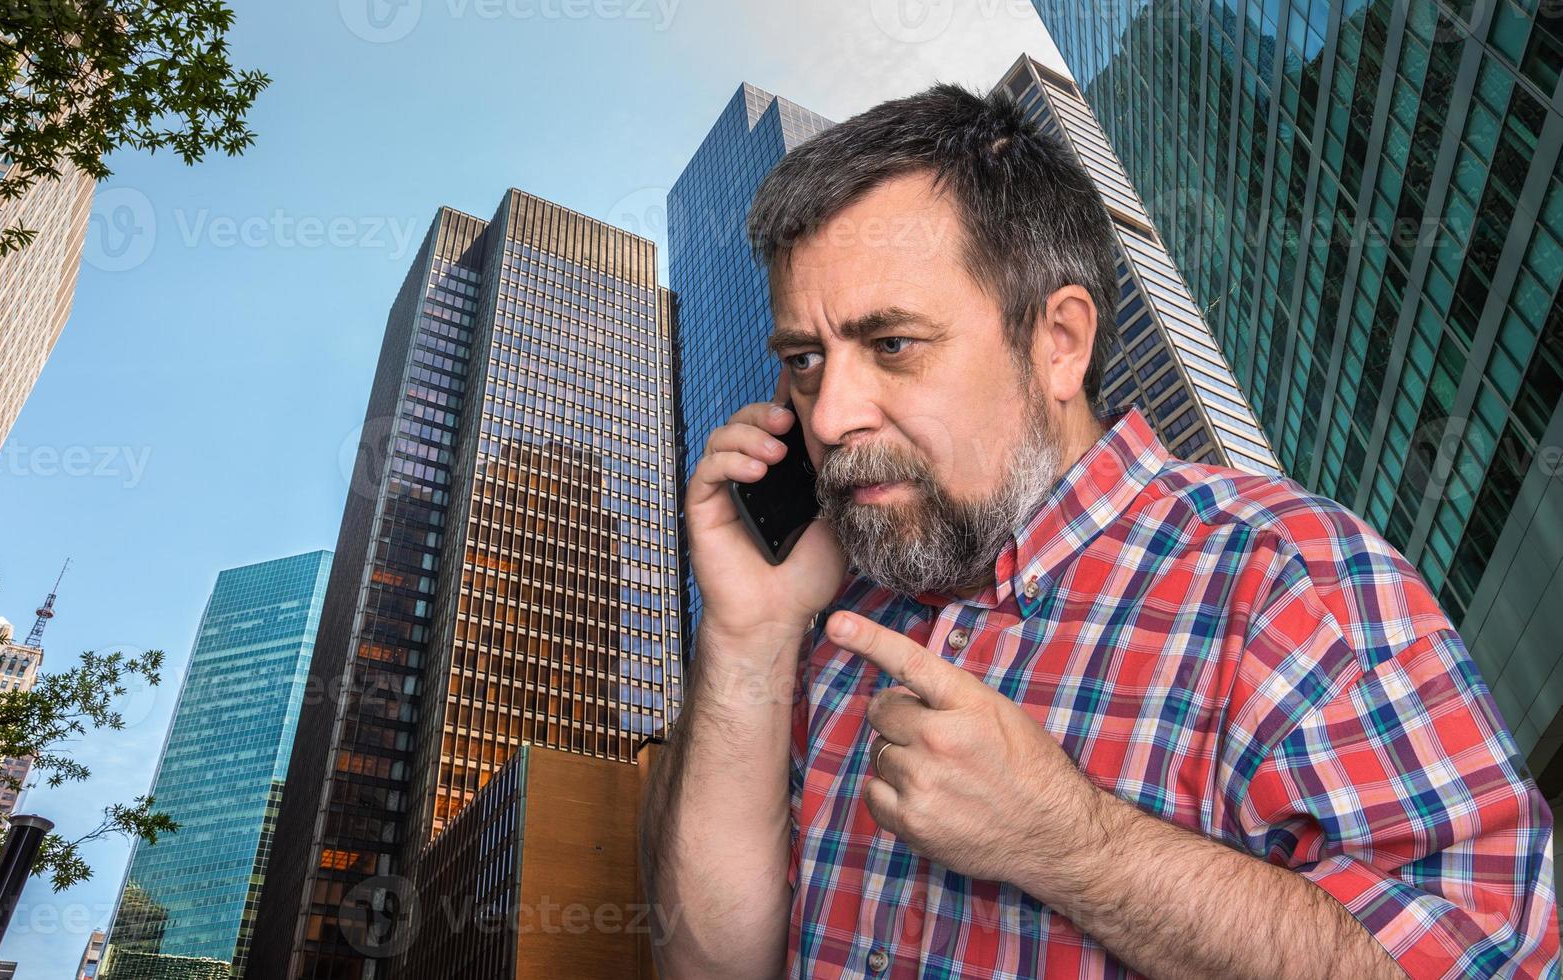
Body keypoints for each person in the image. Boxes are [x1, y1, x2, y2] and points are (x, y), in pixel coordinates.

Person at [638, 82, 1560, 979]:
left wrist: (1070, 844)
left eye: (892, 346)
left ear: (1058, 343)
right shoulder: (825, 610)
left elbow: (1487, 960)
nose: (829, 414)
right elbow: (704, 963)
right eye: (804, 359)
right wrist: (746, 633)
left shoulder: (1285, 574)